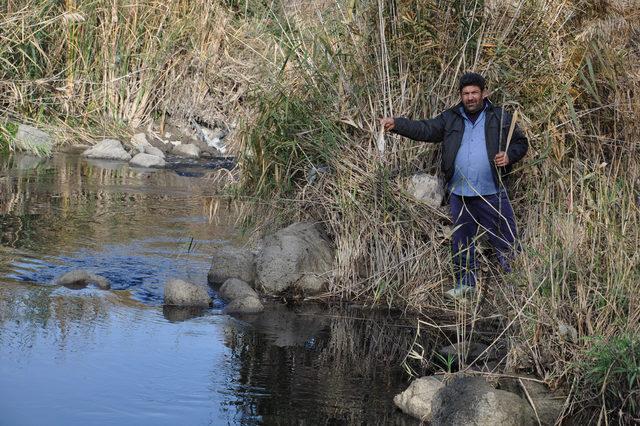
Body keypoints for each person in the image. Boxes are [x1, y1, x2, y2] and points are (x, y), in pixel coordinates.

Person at [380, 72, 528, 299]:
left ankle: (517, 287)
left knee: (505, 239)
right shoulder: (451, 117)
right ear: (461, 95)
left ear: (484, 93)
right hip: (460, 194)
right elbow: (425, 129)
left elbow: (521, 142)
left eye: (474, 93)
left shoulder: (499, 117)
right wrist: (397, 124)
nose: (470, 97)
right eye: (466, 93)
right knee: (462, 243)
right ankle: (465, 286)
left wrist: (509, 156)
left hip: (491, 192)